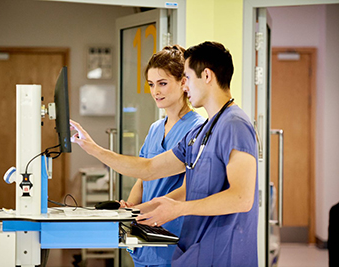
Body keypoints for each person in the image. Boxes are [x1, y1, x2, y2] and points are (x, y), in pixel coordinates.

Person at [70, 41, 258, 267]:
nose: (185, 85)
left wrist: (179, 208)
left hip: (225, 253)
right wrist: (93, 149)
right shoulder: (201, 133)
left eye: (186, 77)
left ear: (206, 76)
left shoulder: (235, 125)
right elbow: (148, 169)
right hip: (197, 250)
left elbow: (242, 198)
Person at [120, 45, 205, 267]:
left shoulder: (197, 129)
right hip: (144, 233)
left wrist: (141, 211)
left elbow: (189, 189)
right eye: (151, 84)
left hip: (172, 235)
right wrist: (129, 210)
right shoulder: (155, 128)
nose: (155, 91)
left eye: (163, 83)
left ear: (183, 83)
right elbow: (142, 177)